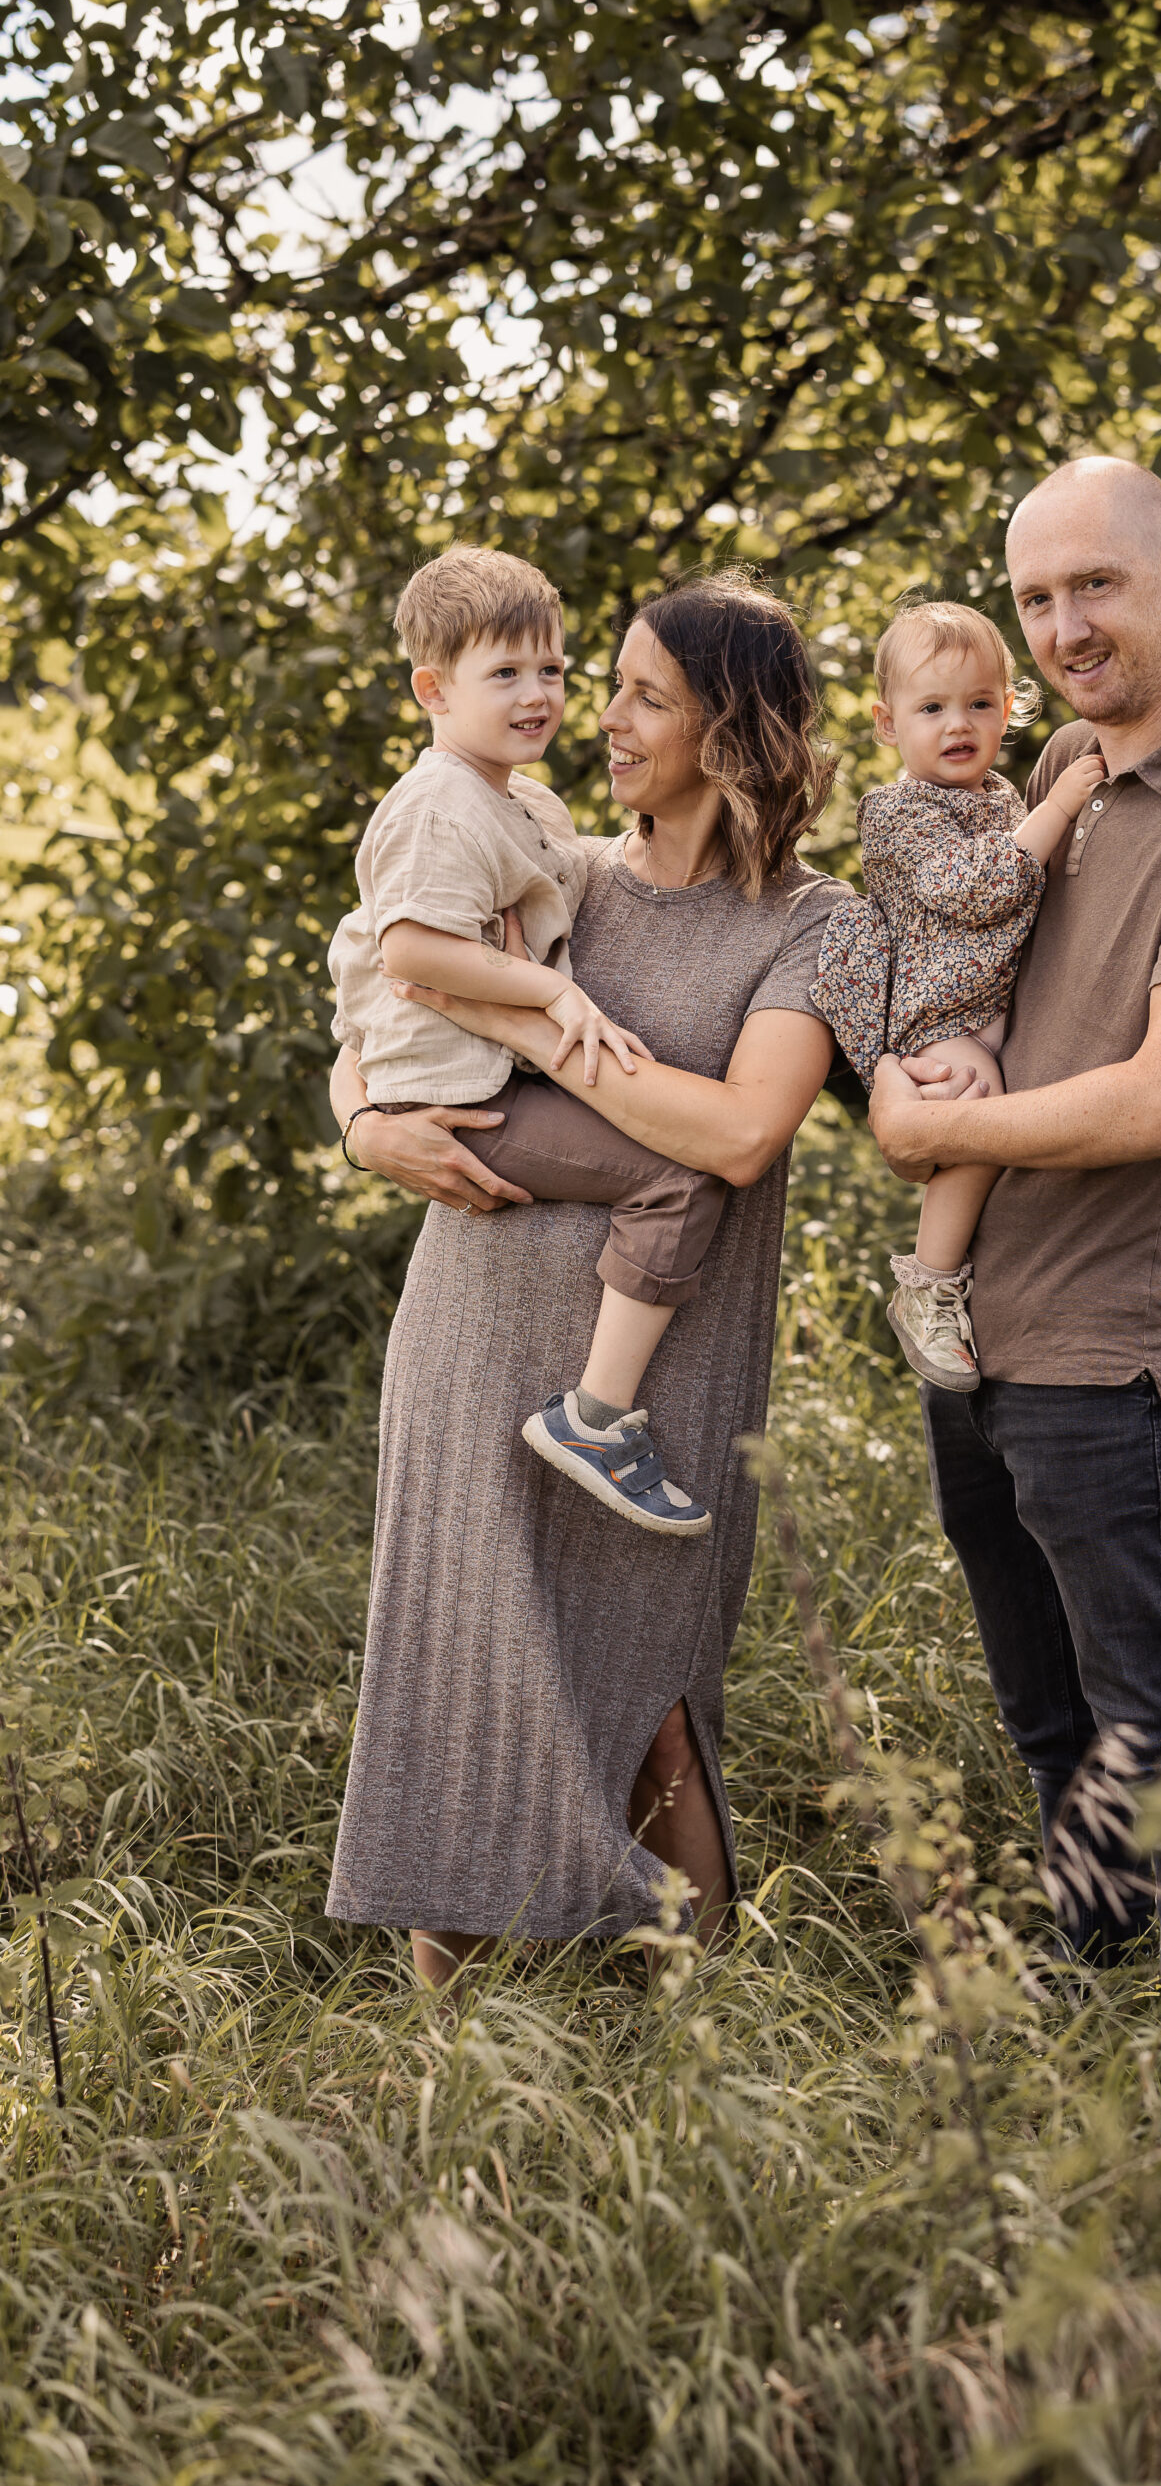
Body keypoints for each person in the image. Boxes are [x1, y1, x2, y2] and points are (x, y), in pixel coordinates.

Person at [325, 569, 847, 1987]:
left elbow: (738, 1134)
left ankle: (693, 2041)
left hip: (658, 1366)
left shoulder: (813, 925)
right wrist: (366, 1123)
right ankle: (453, 2072)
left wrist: (559, 1037)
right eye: (600, 684)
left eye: (639, 695)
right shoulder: (561, 869)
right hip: (473, 1319)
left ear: (729, 732)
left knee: (652, 1701)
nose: (599, 717)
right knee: (461, 1661)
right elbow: (384, 990)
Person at [867, 457, 1161, 1978]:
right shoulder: (1049, 771)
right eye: (1036, 599)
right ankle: (1097, 2020)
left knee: (1159, 1733)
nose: (1064, 627)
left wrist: (937, 1128)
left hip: (1115, 1353)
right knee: (1054, 1732)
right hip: (981, 1337)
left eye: (1097, 585)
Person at [329, 543, 726, 1537]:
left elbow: (577, 880)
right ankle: (596, 1417)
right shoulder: (435, 804)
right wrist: (547, 990)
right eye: (504, 673)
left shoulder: (514, 799)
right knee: (678, 1176)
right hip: (463, 1102)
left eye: (550, 669)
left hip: (485, 1081)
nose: (538, 693)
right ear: (433, 688)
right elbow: (410, 946)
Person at [810, 599, 1107, 1392]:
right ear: (886, 722)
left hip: (996, 1003)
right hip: (943, 1015)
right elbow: (969, 888)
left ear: (1009, 710)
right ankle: (928, 1285)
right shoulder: (896, 810)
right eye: (931, 707)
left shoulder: (999, 797)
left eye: (980, 704)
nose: (958, 724)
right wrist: (1058, 808)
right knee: (979, 1117)